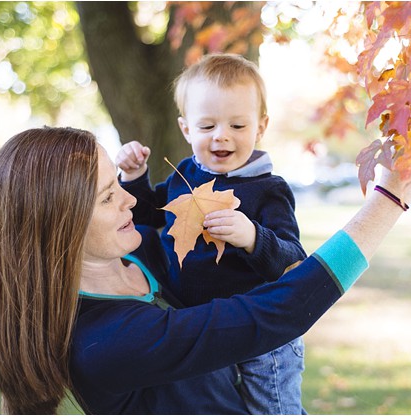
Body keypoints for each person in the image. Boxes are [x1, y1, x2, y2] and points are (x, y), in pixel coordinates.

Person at [0, 127, 411, 414]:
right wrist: (387, 201)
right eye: (108, 197)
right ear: (58, 229)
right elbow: (273, 313)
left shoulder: (137, 254)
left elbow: (275, 264)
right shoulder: (107, 343)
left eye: (118, 185)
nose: (131, 199)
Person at [115, 53, 307, 413]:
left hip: (261, 335)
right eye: (207, 127)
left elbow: (293, 261)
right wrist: (134, 176)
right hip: (206, 330)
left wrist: (251, 235)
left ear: (260, 127)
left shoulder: (268, 189)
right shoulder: (185, 175)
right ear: (186, 129)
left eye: (237, 126)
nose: (222, 137)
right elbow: (143, 217)